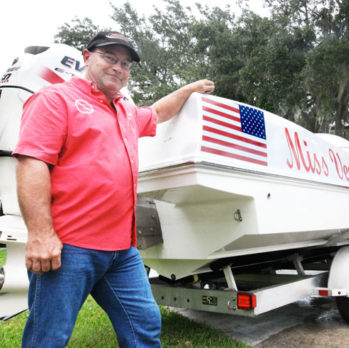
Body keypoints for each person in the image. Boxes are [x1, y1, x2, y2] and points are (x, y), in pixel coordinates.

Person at [14, 31, 215, 347]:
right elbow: (32, 164)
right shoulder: (56, 99)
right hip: (69, 247)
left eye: (125, 63)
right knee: (48, 337)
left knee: (144, 325)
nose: (118, 67)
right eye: (110, 57)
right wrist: (40, 234)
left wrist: (189, 89)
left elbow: (160, 112)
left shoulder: (126, 112)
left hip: (122, 251)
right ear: (86, 56)